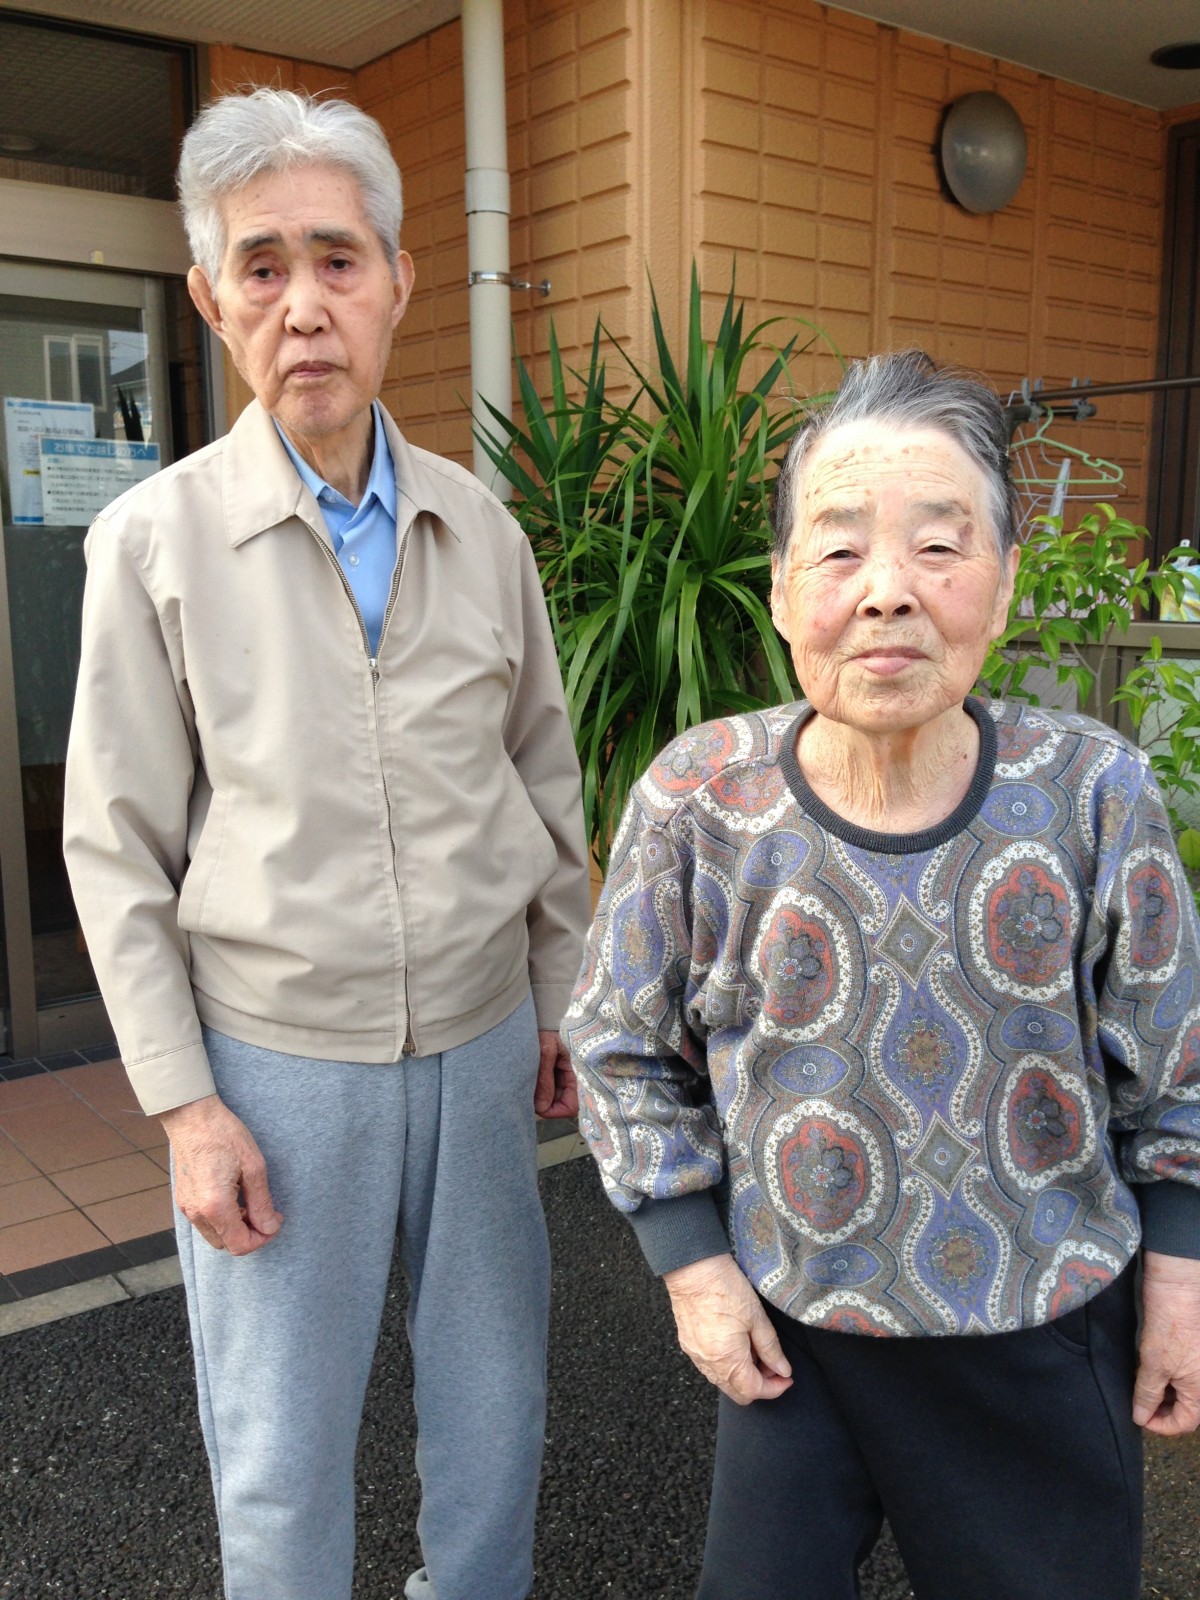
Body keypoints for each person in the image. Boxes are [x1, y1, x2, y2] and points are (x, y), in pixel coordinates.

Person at [565, 350, 1200, 1600]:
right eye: (841, 549)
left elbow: (1179, 1064)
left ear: (1003, 582)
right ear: (781, 588)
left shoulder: (1093, 793)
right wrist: (693, 1268)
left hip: (1042, 1326)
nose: (888, 592)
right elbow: (619, 1044)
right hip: (792, 1331)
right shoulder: (702, 799)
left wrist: (1179, 1278)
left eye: (939, 547)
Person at [64, 88, 588, 1600]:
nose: (305, 306)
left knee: (495, 1407)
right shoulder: (153, 543)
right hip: (274, 1064)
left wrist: (561, 994)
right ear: (210, 298)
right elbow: (113, 844)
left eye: (338, 260)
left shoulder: (479, 528)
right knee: (283, 1448)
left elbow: (541, 776)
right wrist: (186, 1108)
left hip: (481, 1043)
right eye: (264, 265)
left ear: (399, 282)